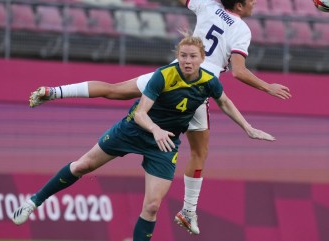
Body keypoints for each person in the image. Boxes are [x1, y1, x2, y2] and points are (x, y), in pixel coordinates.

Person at [28, 0, 291, 235]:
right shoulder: (242, 29)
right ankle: (188, 211)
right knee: (199, 153)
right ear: (241, 6)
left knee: (113, 90)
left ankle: (54, 91)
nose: (256, 3)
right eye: (253, 1)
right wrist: (267, 88)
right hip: (199, 85)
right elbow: (238, 72)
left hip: (171, 73)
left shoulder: (208, 4)